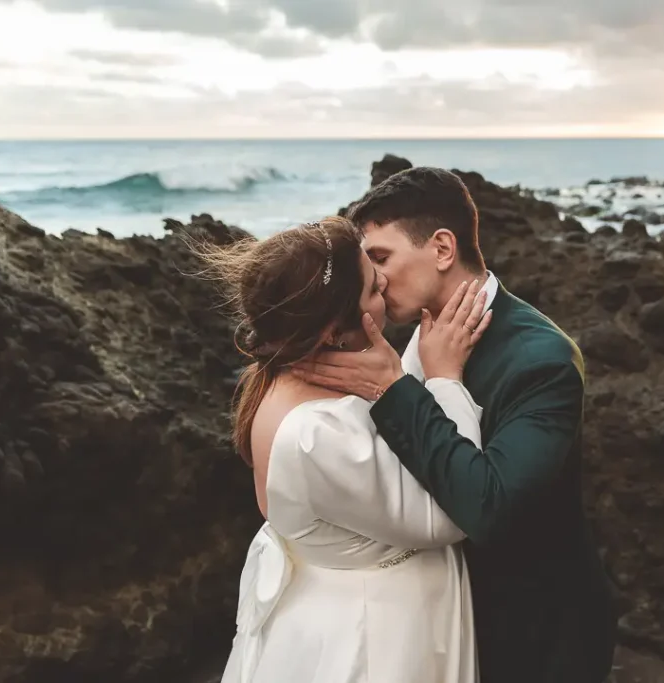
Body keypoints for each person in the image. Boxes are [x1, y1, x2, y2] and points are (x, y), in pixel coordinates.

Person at [294, 168, 618, 683]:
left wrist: (396, 389)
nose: (374, 279)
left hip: (536, 639)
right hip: (444, 623)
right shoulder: (413, 334)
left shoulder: (542, 360)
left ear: (442, 249)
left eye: (381, 258)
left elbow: (490, 507)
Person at [191, 216, 492, 683]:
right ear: (332, 330)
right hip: (378, 634)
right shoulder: (318, 432)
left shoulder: (280, 377)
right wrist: (445, 379)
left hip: (337, 599)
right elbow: (449, 514)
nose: (386, 283)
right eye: (373, 287)